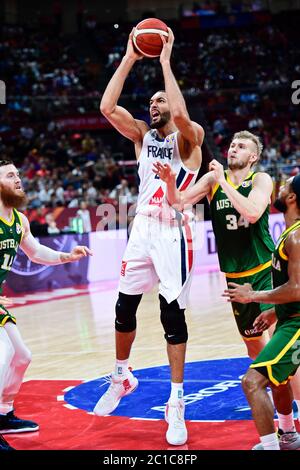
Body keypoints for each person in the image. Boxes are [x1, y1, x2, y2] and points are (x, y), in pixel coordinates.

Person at [153, 130, 300, 447]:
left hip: (265, 274)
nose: (234, 147)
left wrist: (224, 183)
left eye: (242, 145)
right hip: (235, 280)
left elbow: (253, 212)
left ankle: (288, 429)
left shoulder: (260, 179)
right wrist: (167, 181)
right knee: (256, 354)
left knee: (281, 358)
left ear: (253, 157)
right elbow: (178, 202)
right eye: (232, 143)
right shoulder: (211, 180)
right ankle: (282, 428)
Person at [93, 28, 204, 446]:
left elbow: (180, 116)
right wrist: (129, 56)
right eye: (152, 100)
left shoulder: (189, 140)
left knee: (171, 317)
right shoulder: (141, 136)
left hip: (174, 231)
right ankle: (121, 376)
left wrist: (164, 62)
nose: (154, 105)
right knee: (124, 307)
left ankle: (177, 404)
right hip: (141, 226)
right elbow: (106, 107)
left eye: (160, 99)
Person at [0, 160, 92, 450]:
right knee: (3, 355)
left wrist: (67, 256)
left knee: (21, 356)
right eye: (10, 175)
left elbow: (37, 252)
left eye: (18, 173)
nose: (18, 179)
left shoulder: (19, 220)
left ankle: (4, 413)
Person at [224, 174, 300, 450]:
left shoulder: (297, 236)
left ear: (292, 198)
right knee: (279, 379)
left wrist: (252, 295)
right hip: (288, 319)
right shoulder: (290, 233)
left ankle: (271, 446)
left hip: (297, 324)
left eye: (285, 186)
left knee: (252, 382)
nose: (279, 188)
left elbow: (297, 289)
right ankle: (289, 435)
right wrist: (274, 313)